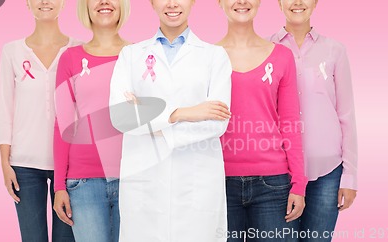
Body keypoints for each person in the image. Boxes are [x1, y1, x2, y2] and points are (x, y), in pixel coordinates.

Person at [109, 0, 232, 241]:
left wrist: (148, 120)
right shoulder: (131, 55)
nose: (172, 4)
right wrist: (183, 113)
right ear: (152, 3)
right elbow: (121, 116)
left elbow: (217, 121)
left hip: (196, 182)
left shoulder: (214, 56)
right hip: (145, 181)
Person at [217, 0, 307, 241]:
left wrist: (299, 183)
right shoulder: (208, 57)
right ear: (220, 3)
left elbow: (290, 123)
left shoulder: (281, 56)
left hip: (273, 185)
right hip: (218, 181)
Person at [270, 0, 358, 241]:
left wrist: (350, 176)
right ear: (279, 3)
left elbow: (346, 114)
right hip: (279, 174)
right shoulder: (266, 49)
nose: (297, 2)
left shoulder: (335, 50)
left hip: (327, 172)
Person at [0, 0, 80, 241]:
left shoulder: (78, 49)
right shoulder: (12, 51)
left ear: (63, 4)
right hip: (24, 165)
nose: (45, 1)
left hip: (69, 165)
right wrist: (5, 163)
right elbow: (5, 108)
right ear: (27, 4)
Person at [52, 0, 131, 241]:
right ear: (85, 6)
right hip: (83, 182)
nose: (104, 2)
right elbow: (62, 124)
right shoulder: (70, 58)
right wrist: (59, 186)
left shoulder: (139, 55)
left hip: (132, 178)